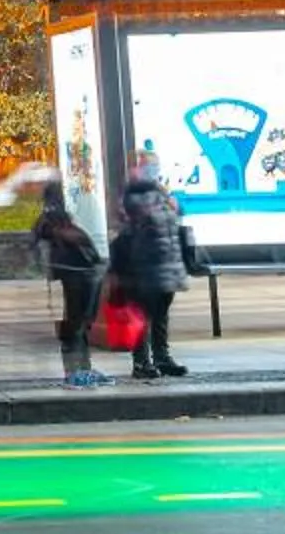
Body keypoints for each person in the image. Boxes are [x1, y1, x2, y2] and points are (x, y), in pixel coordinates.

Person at [110, 160, 191, 380]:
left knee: (161, 315)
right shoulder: (134, 199)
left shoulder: (161, 197)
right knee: (142, 317)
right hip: (145, 269)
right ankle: (142, 362)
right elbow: (133, 227)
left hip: (167, 265)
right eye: (145, 168)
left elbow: (176, 219)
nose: (151, 172)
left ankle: (162, 357)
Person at [33, 181, 108, 390]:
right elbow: (51, 236)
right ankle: (75, 371)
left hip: (83, 272)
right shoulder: (52, 220)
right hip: (73, 274)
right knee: (74, 325)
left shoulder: (62, 218)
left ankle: (83, 368)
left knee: (82, 324)